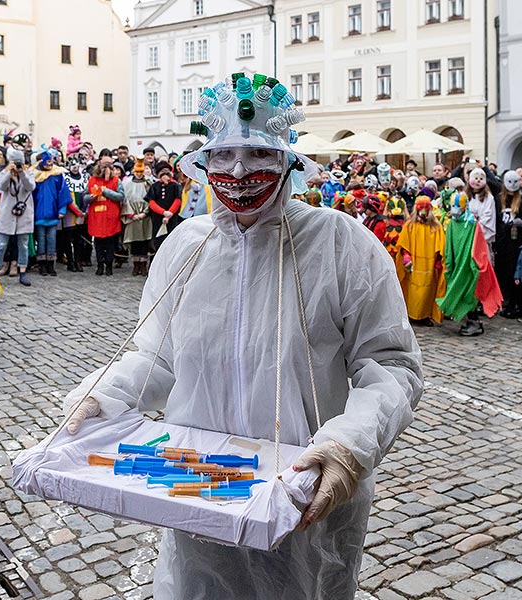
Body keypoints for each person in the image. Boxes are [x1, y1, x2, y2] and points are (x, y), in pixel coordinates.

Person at [62, 73, 422, 599]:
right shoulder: (185, 245)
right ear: (203, 160)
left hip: (303, 496)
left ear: (289, 161)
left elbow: (391, 365)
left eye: (257, 154)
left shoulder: (343, 244)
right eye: (224, 153)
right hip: (198, 487)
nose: (238, 171)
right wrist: (105, 396)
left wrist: (351, 443)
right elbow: (155, 356)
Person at [436, 191, 503, 336]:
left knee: (469, 294)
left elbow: (479, 246)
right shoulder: (453, 223)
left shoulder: (472, 224)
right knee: (459, 292)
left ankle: (474, 322)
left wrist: (476, 264)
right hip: (457, 265)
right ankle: (469, 320)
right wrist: (449, 263)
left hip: (469, 266)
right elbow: (449, 245)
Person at [396, 196, 446, 324]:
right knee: (413, 290)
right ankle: (411, 314)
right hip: (413, 264)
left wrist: (439, 260)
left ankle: (424, 315)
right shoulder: (410, 225)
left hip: (428, 265)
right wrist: (406, 256)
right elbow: (404, 243)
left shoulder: (435, 226)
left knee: (427, 290)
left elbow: (441, 245)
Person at [0, 148, 36, 286]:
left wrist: (22, 173)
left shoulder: (28, 172)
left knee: (23, 245)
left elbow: (30, 187)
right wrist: (9, 173)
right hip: (7, 214)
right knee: (1, 245)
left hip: (24, 215)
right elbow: (1, 186)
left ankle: (22, 272)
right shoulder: (4, 173)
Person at [496, 170, 522, 319]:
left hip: (517, 244)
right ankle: (506, 304)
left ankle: (517, 305)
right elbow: (496, 221)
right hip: (502, 244)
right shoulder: (499, 199)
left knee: (515, 275)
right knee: (503, 275)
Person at [31, 149, 72, 276]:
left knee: (51, 240)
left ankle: (51, 265)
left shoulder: (57, 175)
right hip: (39, 214)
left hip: (53, 213)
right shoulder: (35, 175)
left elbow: (63, 193)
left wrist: (62, 209)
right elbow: (31, 196)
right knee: (41, 240)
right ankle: (42, 265)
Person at [86, 158, 125, 276]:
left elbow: (120, 196)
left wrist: (105, 191)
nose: (105, 170)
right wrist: (91, 197)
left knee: (110, 244)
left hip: (110, 218)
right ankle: (99, 265)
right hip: (97, 217)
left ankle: (109, 265)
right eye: (103, 167)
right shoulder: (92, 180)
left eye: (108, 167)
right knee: (98, 244)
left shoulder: (116, 181)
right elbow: (85, 197)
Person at [121, 161, 153, 276]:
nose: (139, 174)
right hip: (132, 215)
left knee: (144, 241)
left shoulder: (148, 183)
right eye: (137, 172)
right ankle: (136, 265)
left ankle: (143, 265)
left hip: (144, 216)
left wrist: (145, 213)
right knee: (135, 242)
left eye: (141, 172)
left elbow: (152, 198)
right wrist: (131, 214)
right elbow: (125, 200)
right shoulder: (127, 183)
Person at [61, 154, 89, 273]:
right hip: (70, 214)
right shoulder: (65, 179)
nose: (74, 167)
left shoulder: (85, 177)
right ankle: (70, 261)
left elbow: (88, 194)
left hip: (83, 214)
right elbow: (66, 197)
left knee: (79, 239)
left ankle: (78, 260)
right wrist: (77, 211)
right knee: (68, 239)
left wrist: (85, 211)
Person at [145, 166, 182, 251]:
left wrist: (169, 213)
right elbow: (152, 202)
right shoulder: (154, 186)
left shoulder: (175, 186)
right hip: (157, 219)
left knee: (171, 241)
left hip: (172, 219)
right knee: (157, 242)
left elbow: (178, 200)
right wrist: (163, 212)